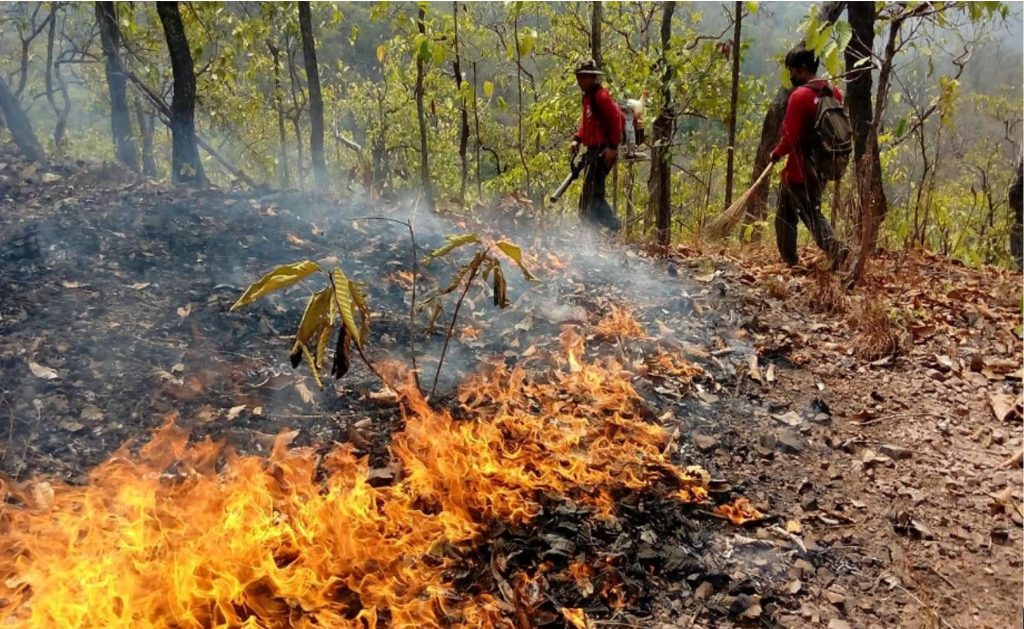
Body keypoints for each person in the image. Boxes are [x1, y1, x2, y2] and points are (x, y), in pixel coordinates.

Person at [770, 47, 850, 270]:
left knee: (809, 213)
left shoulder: (800, 96)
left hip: (800, 168)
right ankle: (789, 260)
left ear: (803, 69)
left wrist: (776, 154)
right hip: (823, 165)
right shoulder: (833, 92)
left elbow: (789, 136)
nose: (791, 77)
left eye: (792, 71)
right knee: (785, 213)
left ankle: (835, 248)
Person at [570, 59, 623, 232]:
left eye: (583, 77)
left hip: (603, 151)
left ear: (592, 77)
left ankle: (614, 225)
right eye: (578, 77)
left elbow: (616, 119)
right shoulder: (587, 98)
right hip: (592, 151)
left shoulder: (601, 96)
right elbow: (588, 124)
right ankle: (588, 234)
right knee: (587, 196)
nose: (579, 81)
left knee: (594, 195)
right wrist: (577, 139)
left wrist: (613, 147)